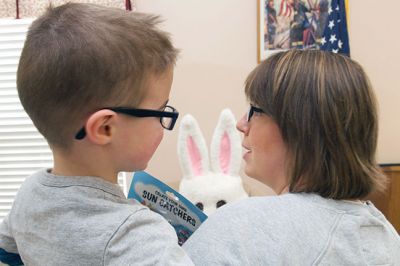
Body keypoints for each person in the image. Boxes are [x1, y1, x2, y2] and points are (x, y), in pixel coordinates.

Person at [0, 3, 193, 265]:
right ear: (105, 128)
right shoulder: (138, 236)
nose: (163, 122)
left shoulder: (29, 194)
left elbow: (8, 252)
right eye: (161, 112)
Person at [183, 49, 400, 264]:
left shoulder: (241, 227)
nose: (241, 124)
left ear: (299, 128)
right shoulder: (388, 238)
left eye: (255, 111)